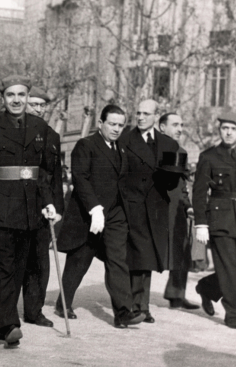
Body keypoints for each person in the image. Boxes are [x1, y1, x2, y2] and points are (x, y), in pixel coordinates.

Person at [0, 75, 61, 346]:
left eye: (21, 95)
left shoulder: (41, 127)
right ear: (3, 98)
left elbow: (43, 172)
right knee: (4, 268)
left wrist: (49, 201)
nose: (17, 100)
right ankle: (9, 324)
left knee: (16, 270)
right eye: (11, 95)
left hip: (29, 209)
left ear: (28, 97)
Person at [55, 105, 146, 327]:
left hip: (116, 214)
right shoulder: (85, 146)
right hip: (89, 213)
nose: (116, 129)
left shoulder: (121, 148)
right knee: (80, 259)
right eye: (112, 124)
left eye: (120, 125)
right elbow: (80, 178)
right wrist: (95, 209)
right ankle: (63, 303)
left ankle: (123, 312)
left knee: (117, 260)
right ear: (101, 123)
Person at [118, 99, 180, 323]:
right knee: (136, 256)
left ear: (156, 116)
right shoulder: (124, 139)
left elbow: (172, 183)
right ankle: (138, 306)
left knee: (149, 257)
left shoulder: (168, 144)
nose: (141, 117)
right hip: (131, 206)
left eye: (146, 113)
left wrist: (172, 176)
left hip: (156, 209)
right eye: (138, 112)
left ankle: (141, 306)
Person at [194, 112, 236, 330]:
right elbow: (199, 193)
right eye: (225, 128)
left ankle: (207, 287)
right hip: (220, 219)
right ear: (220, 130)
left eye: (233, 129)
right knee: (228, 269)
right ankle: (235, 316)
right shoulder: (209, 156)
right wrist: (201, 223)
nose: (228, 132)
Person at [157, 113, 199, 310]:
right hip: (155, 208)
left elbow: (182, 186)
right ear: (162, 127)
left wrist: (188, 205)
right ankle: (134, 298)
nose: (180, 129)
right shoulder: (151, 148)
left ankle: (176, 295)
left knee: (182, 251)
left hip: (177, 210)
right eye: (175, 125)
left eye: (181, 125)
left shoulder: (181, 151)